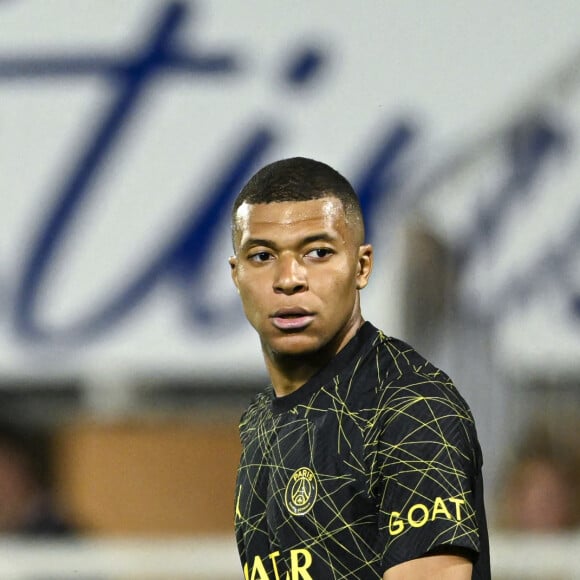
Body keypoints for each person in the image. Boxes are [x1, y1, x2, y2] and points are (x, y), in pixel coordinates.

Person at [229, 157, 490, 579]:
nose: (289, 278)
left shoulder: (410, 406)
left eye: (318, 252)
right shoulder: (260, 423)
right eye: (262, 256)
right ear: (236, 274)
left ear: (362, 267)